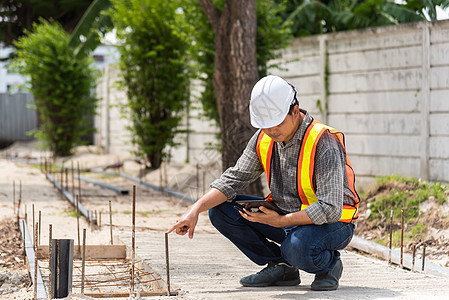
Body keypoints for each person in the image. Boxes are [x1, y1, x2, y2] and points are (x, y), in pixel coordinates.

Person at [167, 75, 360, 291]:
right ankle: (282, 266)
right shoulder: (264, 137)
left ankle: (328, 265)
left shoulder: (324, 142)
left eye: (276, 123)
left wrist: (281, 221)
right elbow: (235, 178)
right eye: (265, 125)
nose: (270, 130)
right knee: (220, 210)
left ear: (294, 111)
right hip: (285, 217)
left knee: (296, 248)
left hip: (331, 225)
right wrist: (195, 210)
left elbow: (331, 209)